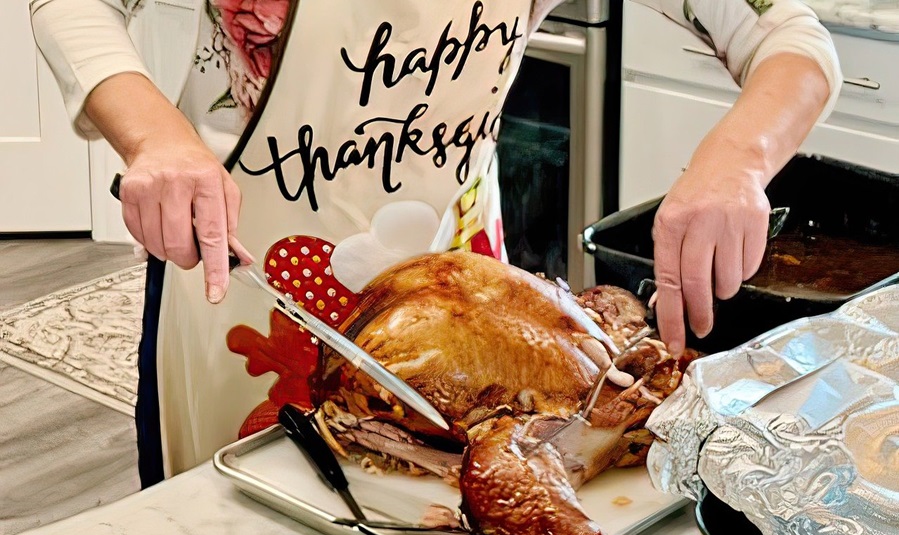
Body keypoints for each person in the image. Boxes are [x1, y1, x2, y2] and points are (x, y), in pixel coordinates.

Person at [31, 0, 840, 488]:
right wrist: (157, 140)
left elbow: (790, 39)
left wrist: (735, 165)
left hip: (470, 306)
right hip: (248, 285)